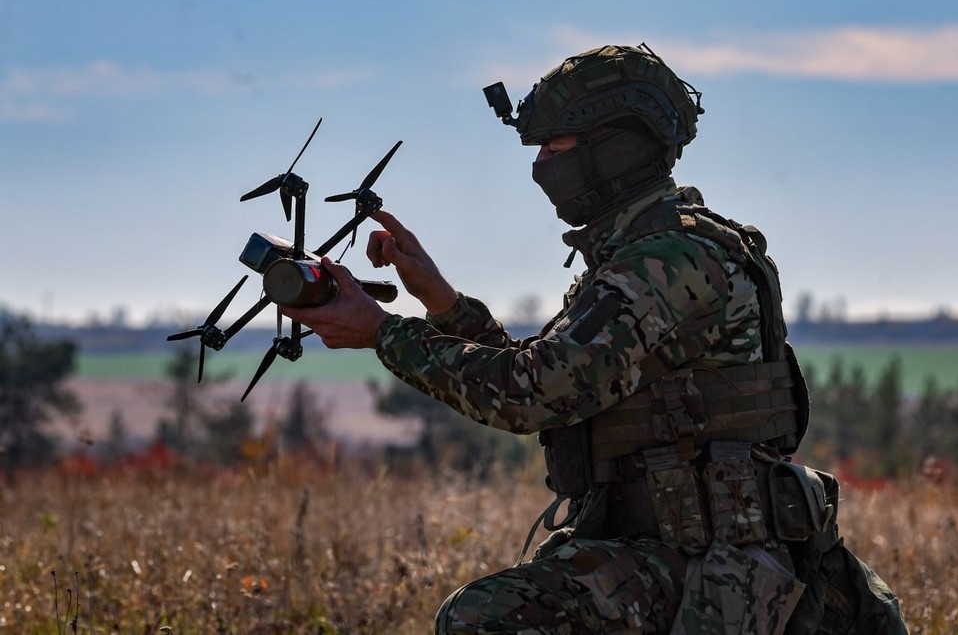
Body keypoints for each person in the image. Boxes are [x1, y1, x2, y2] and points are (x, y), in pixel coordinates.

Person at [282, 44, 908, 635]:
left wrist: (384, 333)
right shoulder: (647, 252)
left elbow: (530, 393)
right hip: (669, 548)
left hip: (720, 570)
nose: (541, 164)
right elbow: (549, 373)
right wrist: (439, 298)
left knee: (486, 619)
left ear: (616, 149)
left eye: (557, 143)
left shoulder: (670, 260)